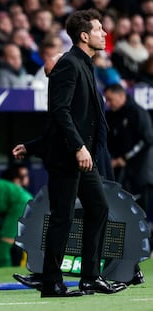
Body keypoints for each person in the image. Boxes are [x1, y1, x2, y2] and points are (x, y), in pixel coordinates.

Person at [12, 9, 127, 298]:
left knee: (98, 208)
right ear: (84, 35)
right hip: (70, 156)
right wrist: (78, 146)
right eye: (99, 29)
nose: (104, 33)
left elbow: (67, 118)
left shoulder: (85, 64)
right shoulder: (69, 64)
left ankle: (90, 277)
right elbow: (59, 112)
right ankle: (51, 282)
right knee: (62, 217)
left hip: (82, 157)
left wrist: (32, 146)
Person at [104, 83, 153, 218]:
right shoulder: (113, 116)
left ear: (121, 95)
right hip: (123, 175)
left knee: (139, 214)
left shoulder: (138, 113)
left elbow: (147, 140)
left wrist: (124, 158)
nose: (108, 104)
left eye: (110, 99)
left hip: (141, 174)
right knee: (122, 213)